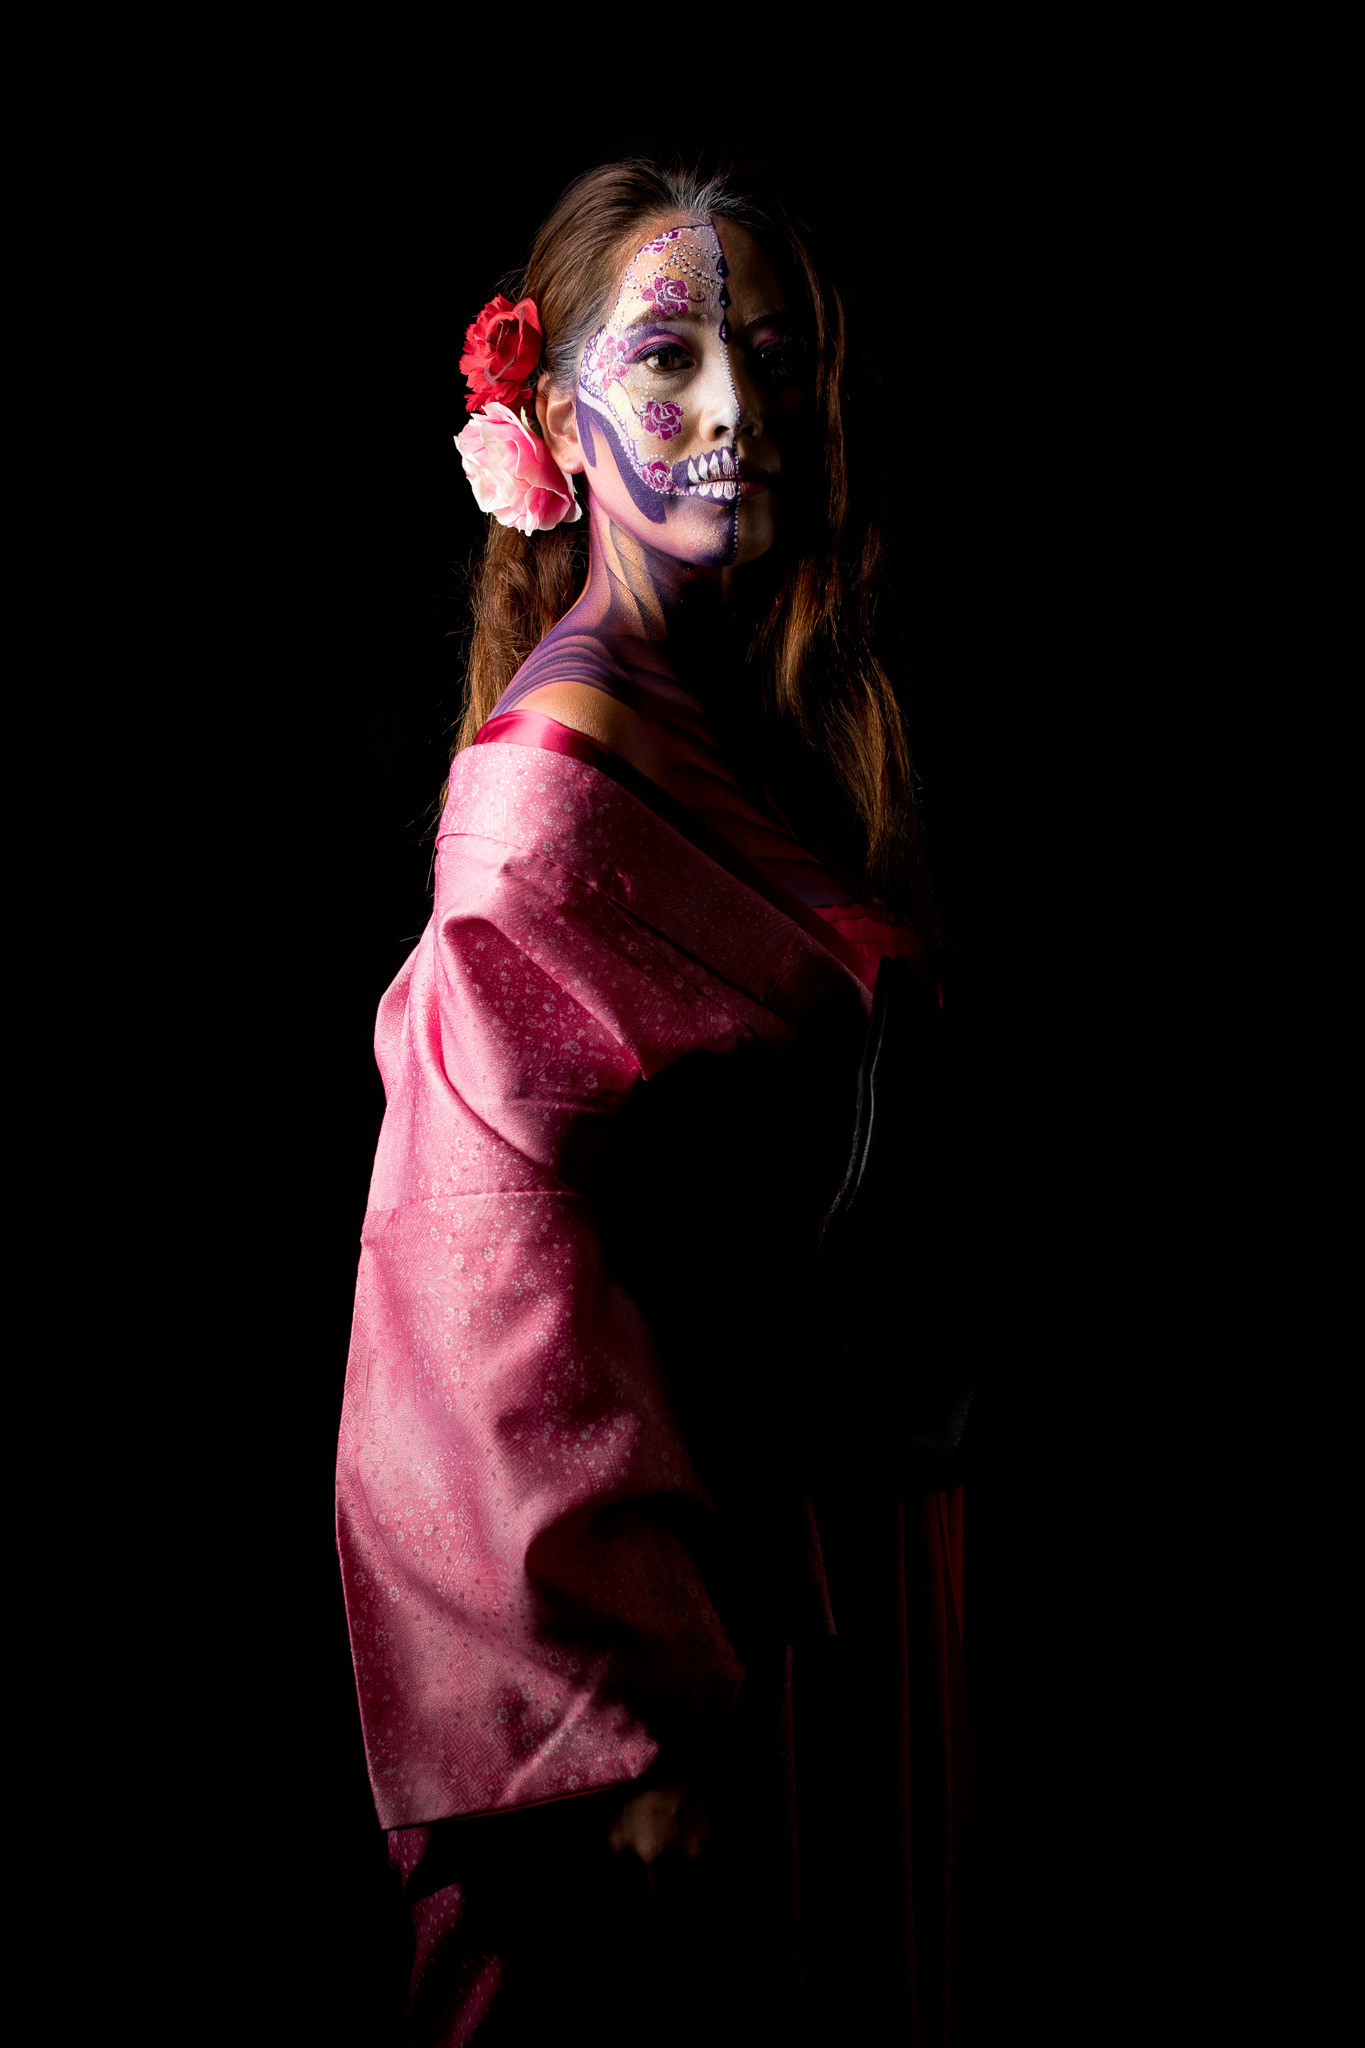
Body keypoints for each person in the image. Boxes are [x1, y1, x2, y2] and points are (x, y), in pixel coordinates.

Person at [336, 155, 974, 2045]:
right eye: (670, 356)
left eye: (766, 356)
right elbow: (473, 1278)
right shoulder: (549, 789)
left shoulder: (761, 735)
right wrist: (612, 1719)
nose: (731, 408)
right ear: (551, 424)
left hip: (848, 1560)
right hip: (691, 1661)